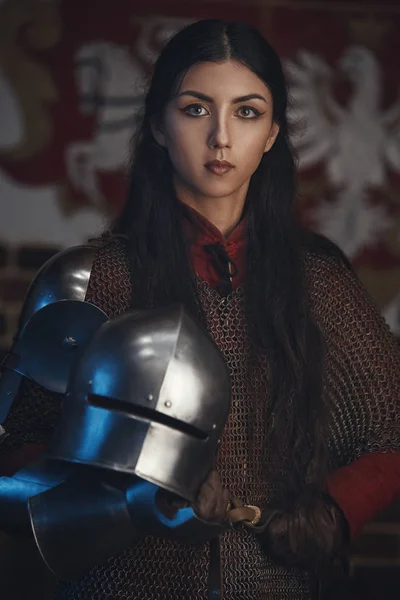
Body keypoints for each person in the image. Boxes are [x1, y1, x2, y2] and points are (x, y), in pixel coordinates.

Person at [1, 18, 400, 600]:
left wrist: (333, 513)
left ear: (271, 134)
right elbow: (15, 466)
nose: (221, 138)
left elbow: (388, 432)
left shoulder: (321, 282)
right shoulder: (90, 280)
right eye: (195, 109)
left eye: (246, 112)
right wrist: (137, 487)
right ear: (159, 126)